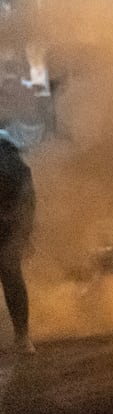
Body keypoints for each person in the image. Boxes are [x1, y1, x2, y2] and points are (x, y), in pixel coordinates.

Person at [0, 134, 35, 354]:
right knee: (11, 274)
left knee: (11, 272)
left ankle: (22, 335)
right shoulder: (12, 157)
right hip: (11, 224)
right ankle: (22, 336)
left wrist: (23, 232)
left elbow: (26, 199)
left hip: (8, 225)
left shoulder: (9, 161)